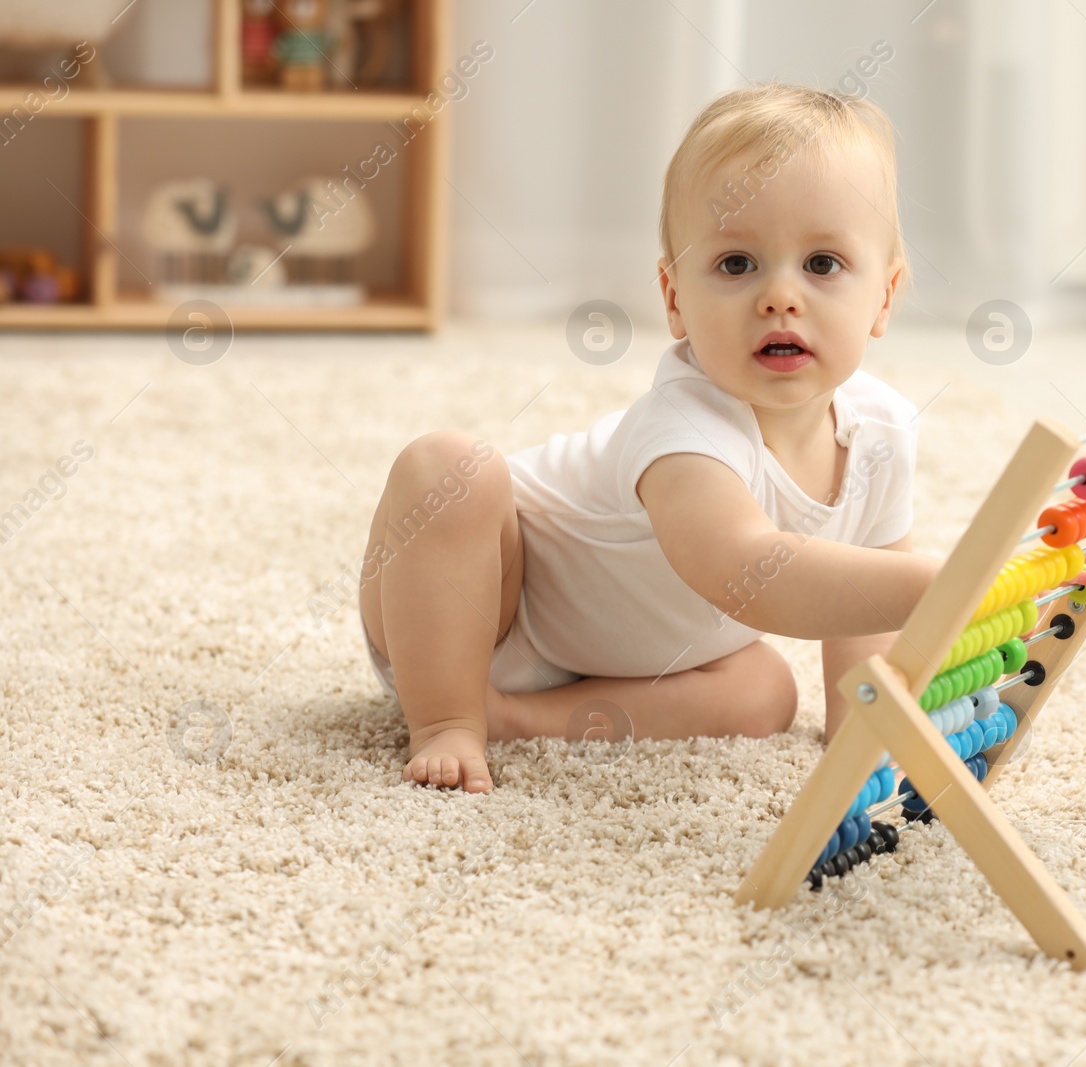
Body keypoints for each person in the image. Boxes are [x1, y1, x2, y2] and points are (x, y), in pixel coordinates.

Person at [358, 83, 938, 792]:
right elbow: (747, 574)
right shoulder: (686, 425)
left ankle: (515, 716)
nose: (780, 296)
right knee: (447, 466)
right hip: (472, 604)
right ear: (674, 300)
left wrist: (862, 736)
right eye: (736, 264)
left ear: (884, 295)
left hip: (619, 663)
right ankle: (449, 716)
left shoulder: (880, 433)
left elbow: (862, 615)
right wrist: (935, 586)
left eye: (822, 264)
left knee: (764, 693)